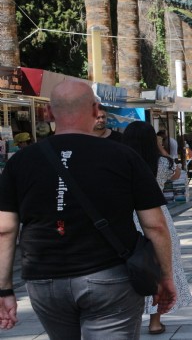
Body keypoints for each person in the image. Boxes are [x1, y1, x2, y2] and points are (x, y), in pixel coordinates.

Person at [0, 81, 176, 337]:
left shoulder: (21, 162)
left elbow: (5, 230)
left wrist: (4, 288)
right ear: (95, 110)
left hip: (44, 279)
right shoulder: (123, 156)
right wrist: (166, 275)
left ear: (48, 113)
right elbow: (155, 225)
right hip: (110, 276)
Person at [123, 121, 192, 335]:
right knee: (159, 266)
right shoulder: (162, 163)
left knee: (128, 268)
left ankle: (127, 320)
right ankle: (155, 321)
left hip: (126, 218)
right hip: (157, 216)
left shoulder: (121, 161)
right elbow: (178, 174)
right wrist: (160, 148)